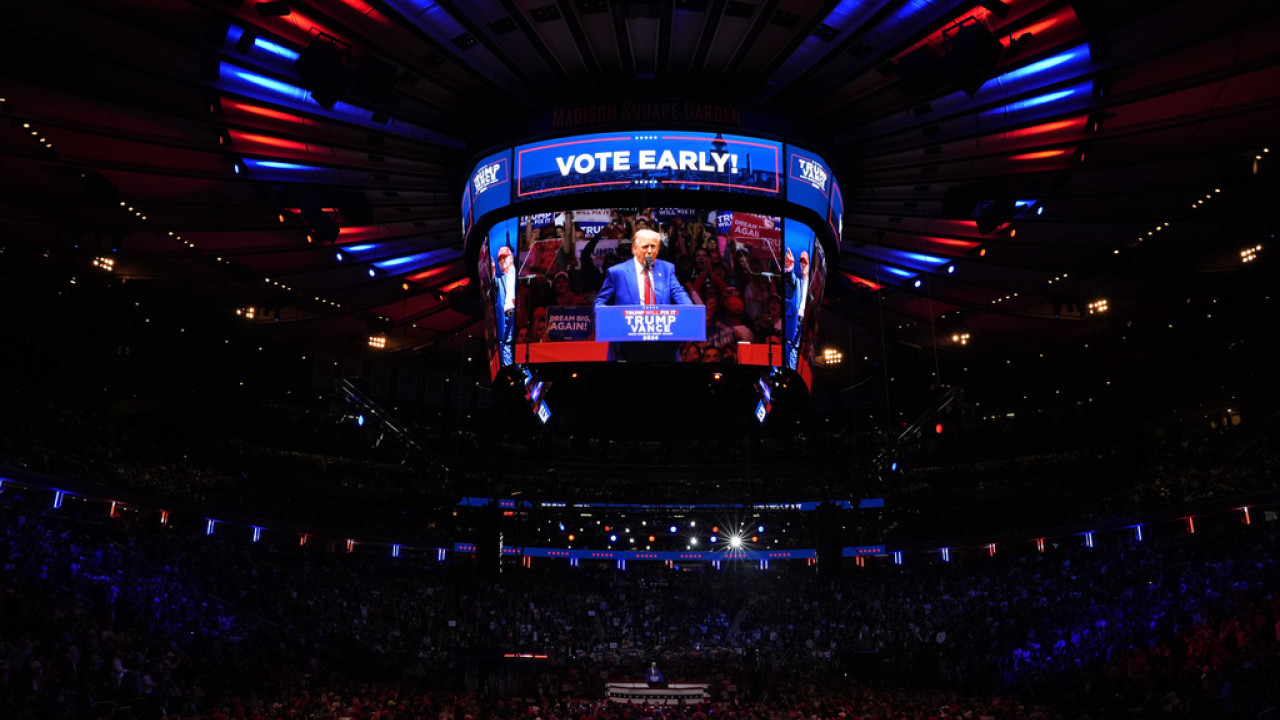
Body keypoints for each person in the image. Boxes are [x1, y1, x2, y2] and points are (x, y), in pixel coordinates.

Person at [595, 228, 694, 361]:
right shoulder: (617, 272)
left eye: (653, 246)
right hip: (628, 345)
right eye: (645, 246)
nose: (650, 251)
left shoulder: (667, 269)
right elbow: (600, 301)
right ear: (634, 249)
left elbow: (679, 293)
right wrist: (610, 318)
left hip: (662, 345)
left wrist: (689, 312)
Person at [783, 247, 809, 369]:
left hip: (806, 322)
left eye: (805, 262)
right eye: (801, 262)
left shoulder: (813, 283)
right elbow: (790, 278)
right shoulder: (798, 279)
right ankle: (790, 369)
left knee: (799, 348)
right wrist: (789, 266)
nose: (803, 264)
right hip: (796, 319)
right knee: (790, 345)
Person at [495, 245, 516, 366]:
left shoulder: (518, 273)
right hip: (508, 312)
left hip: (519, 311)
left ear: (511, 258)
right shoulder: (499, 278)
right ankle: (509, 368)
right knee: (506, 342)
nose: (502, 260)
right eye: (500, 259)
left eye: (504, 257)